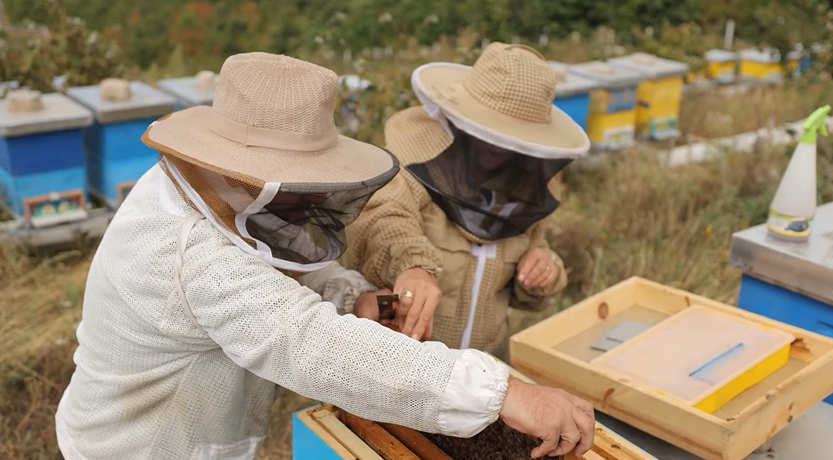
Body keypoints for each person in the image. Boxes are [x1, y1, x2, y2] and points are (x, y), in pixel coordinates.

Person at [54, 52, 595, 460]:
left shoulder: (206, 188)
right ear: (242, 167)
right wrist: (503, 393)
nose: (311, 199)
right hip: (136, 448)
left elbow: (279, 268)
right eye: (298, 182)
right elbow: (309, 343)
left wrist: (353, 296)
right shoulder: (190, 252)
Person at [344, 43, 590, 358]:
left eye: (511, 140)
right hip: (404, 364)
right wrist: (414, 266)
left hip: (483, 367)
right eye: (490, 133)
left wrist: (544, 268)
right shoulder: (414, 172)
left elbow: (530, 281)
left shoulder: (526, 194)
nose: (499, 147)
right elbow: (383, 217)